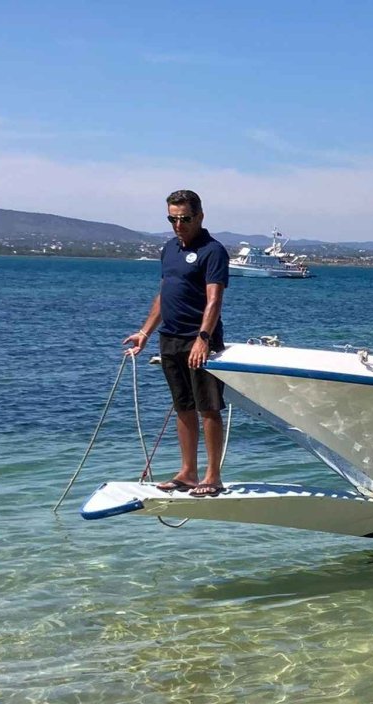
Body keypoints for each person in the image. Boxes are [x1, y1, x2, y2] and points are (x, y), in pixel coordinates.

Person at [122, 190, 230, 496]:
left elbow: (214, 300)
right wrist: (144, 333)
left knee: (207, 408)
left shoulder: (213, 251)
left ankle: (212, 476)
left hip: (199, 341)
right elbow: (164, 293)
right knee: (183, 406)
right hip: (169, 338)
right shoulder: (169, 249)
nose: (178, 224)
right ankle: (188, 473)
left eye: (184, 218)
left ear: (199, 217)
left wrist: (203, 339)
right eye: (173, 218)